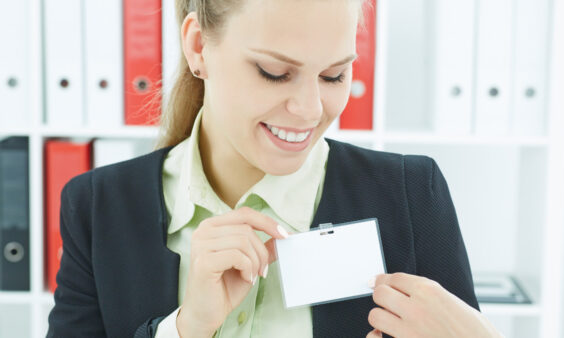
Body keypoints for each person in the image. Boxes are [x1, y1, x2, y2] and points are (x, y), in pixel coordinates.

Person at [47, 0, 503, 337]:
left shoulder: (411, 195)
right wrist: (186, 328)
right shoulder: (97, 207)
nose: (308, 111)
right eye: (273, 72)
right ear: (198, 46)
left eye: (333, 76)